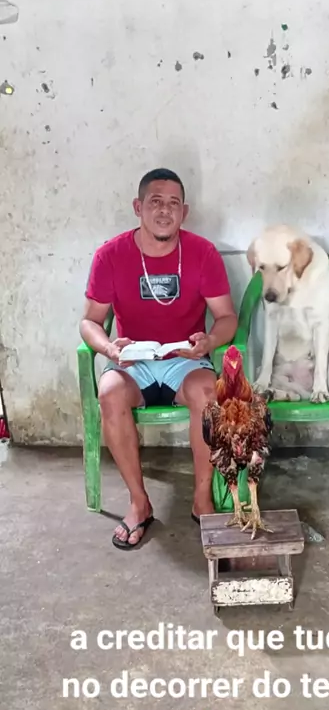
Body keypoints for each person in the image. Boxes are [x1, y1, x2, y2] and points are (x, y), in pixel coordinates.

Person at [80, 168, 238, 549]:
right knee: (109, 393)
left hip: (185, 359)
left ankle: (202, 500)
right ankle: (139, 502)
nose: (165, 211)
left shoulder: (202, 253)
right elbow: (89, 322)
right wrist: (111, 349)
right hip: (132, 361)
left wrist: (209, 341)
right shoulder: (110, 256)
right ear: (138, 207)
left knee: (209, 394)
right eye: (155, 202)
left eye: (173, 203)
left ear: (185, 211)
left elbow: (227, 318)